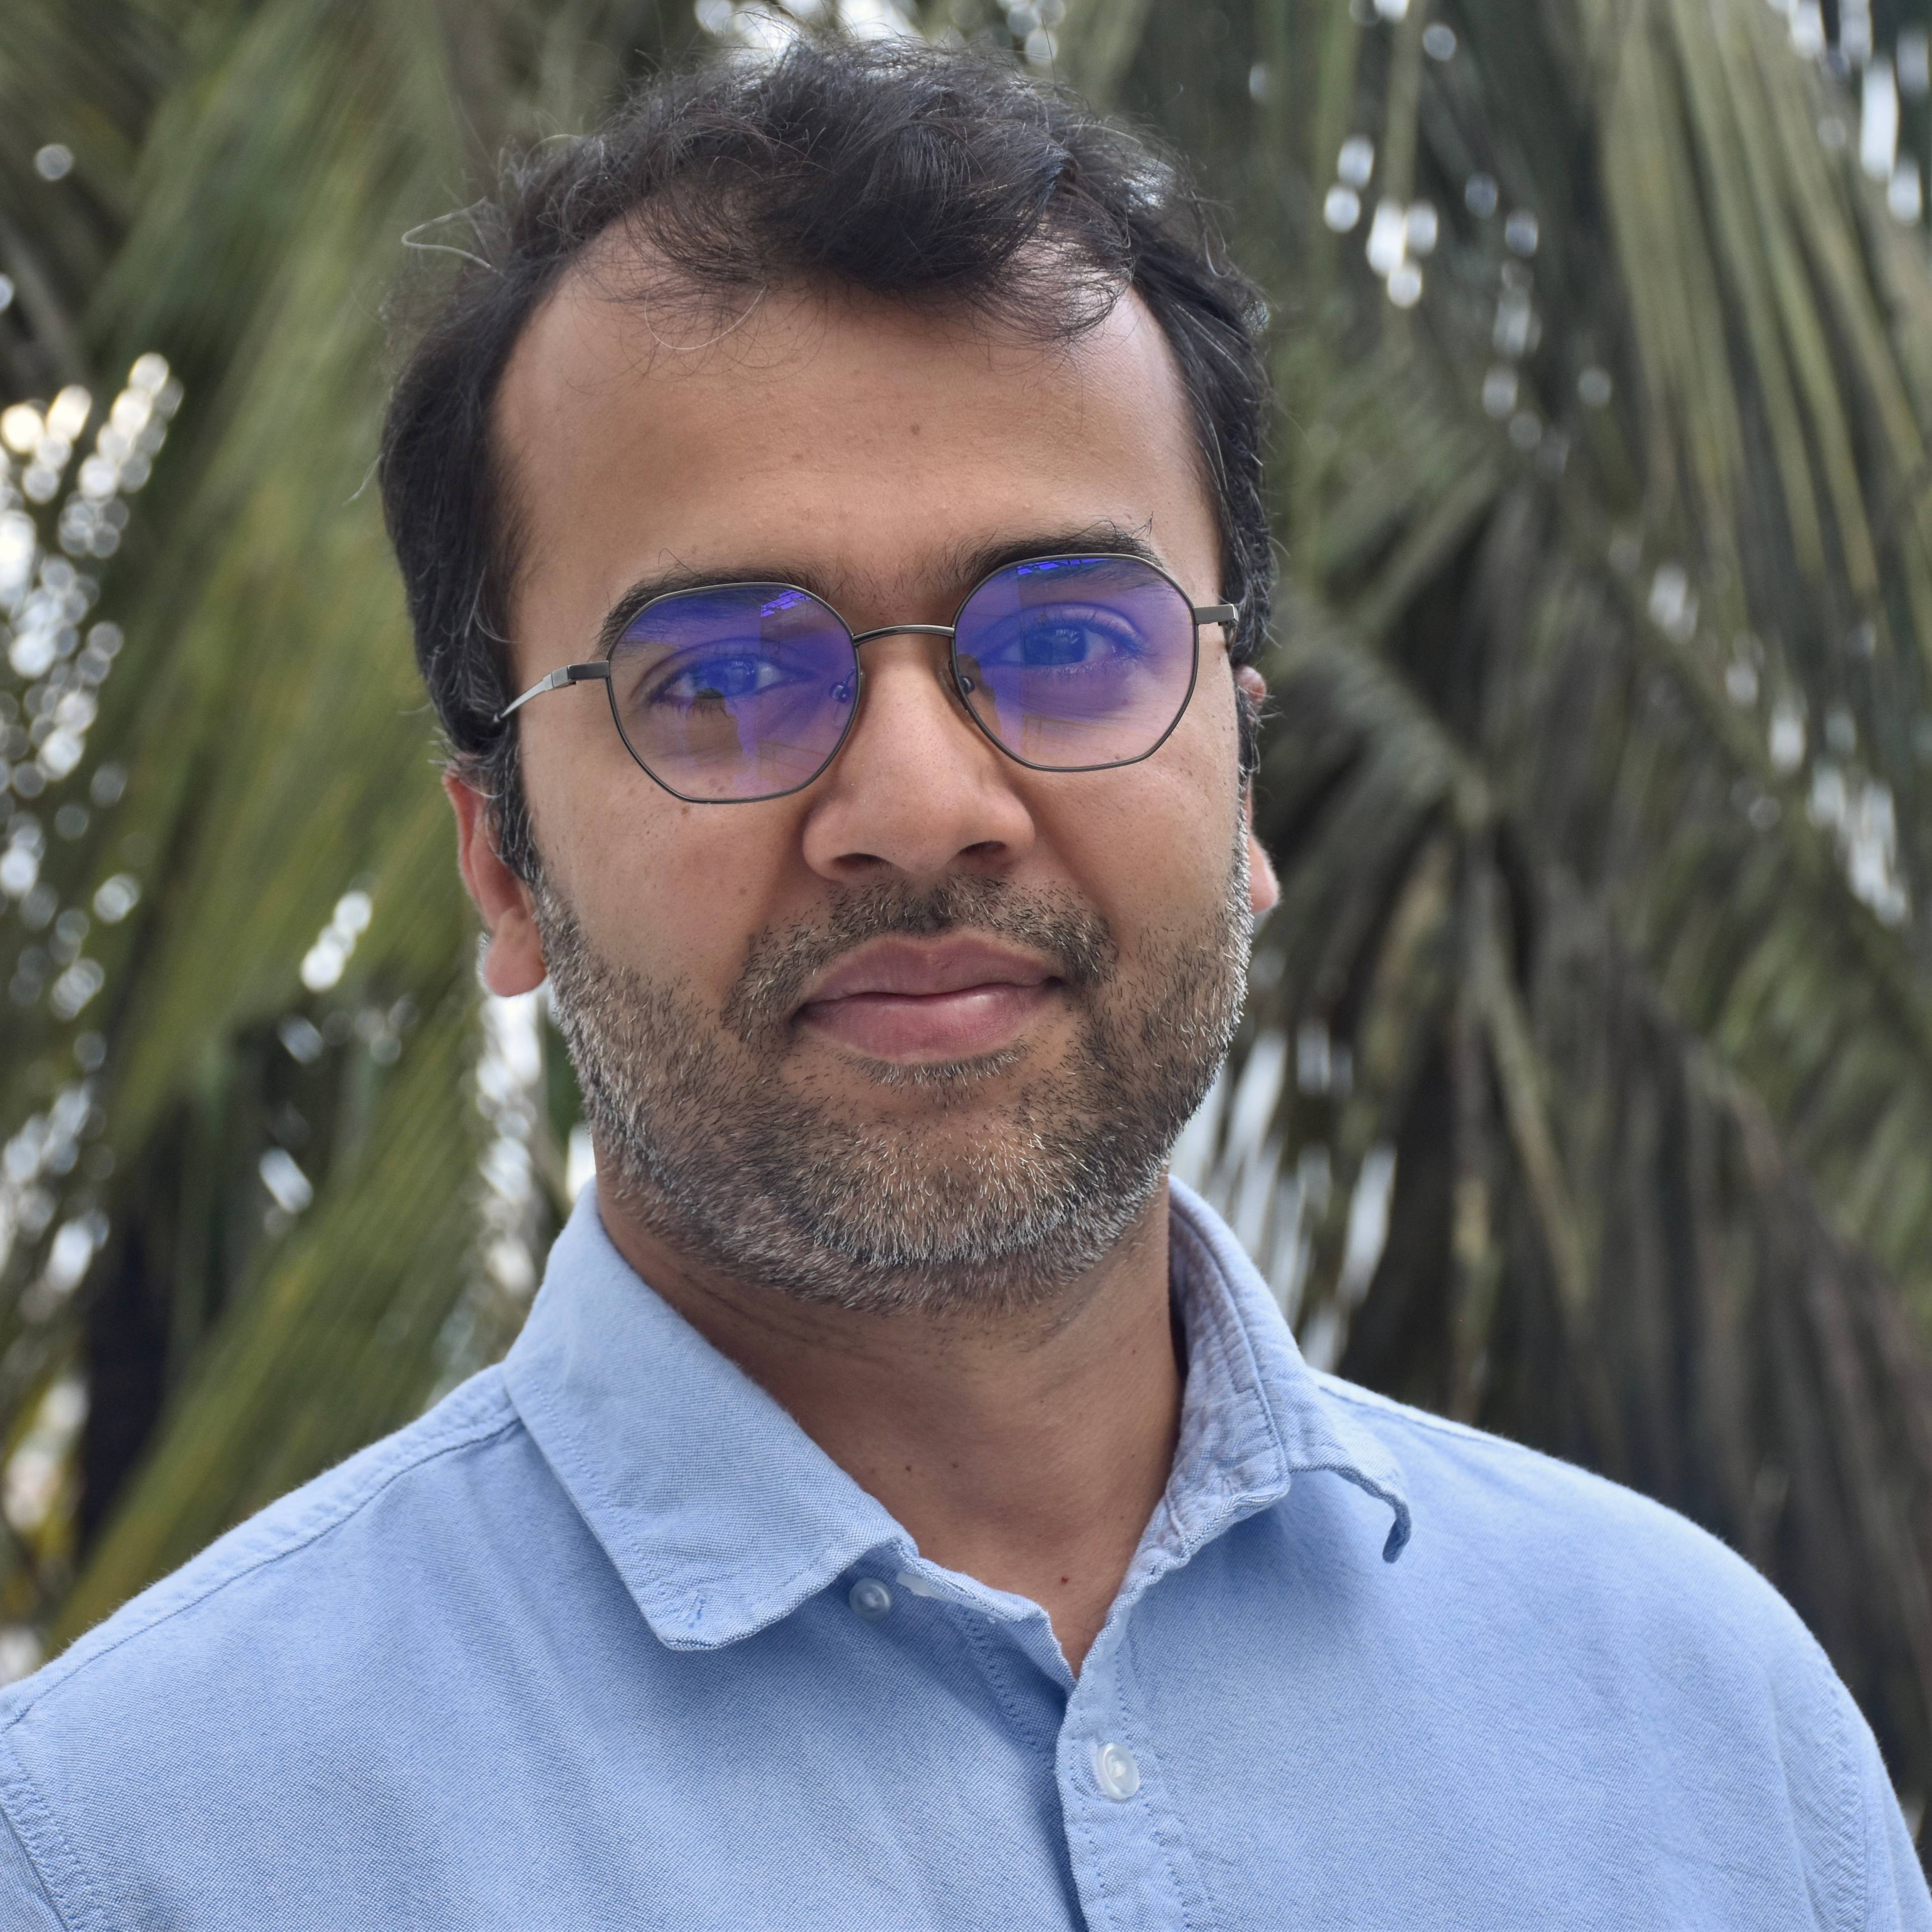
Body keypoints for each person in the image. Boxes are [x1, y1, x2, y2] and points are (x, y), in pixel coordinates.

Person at [0, 36, 1924, 1930]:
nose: (922, 808)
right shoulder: (124, 1856)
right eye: (722, 679)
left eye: (1069, 640)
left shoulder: (1710, 1738)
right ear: (502, 861)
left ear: (1243, 776)